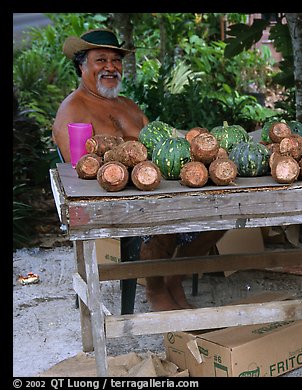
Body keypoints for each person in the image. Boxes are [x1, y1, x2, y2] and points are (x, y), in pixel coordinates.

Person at [53, 28, 225, 311]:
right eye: (101, 60)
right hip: (117, 202)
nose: (111, 67)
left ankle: (174, 275)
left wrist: (194, 139)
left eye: (116, 60)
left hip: (155, 187)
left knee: (222, 213)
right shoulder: (72, 109)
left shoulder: (128, 106)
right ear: (82, 65)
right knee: (158, 215)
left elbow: (160, 139)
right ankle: (155, 288)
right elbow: (80, 171)